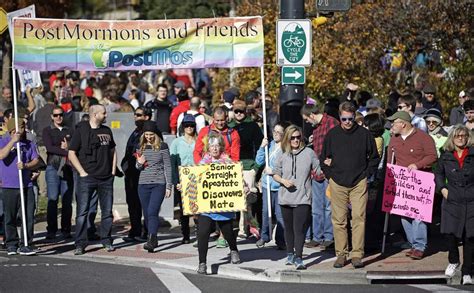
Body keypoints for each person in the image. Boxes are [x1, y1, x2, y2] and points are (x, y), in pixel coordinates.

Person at [321, 101, 379, 269]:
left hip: (359, 182)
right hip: (337, 182)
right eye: (343, 119)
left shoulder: (364, 135)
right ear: (339, 117)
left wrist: (366, 175)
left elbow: (374, 157)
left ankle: (357, 254)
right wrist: (329, 175)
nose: (347, 122)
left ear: (355, 117)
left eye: (350, 119)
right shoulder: (332, 135)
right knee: (338, 220)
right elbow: (323, 157)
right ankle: (341, 254)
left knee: (359, 218)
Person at [387, 111, 437, 260]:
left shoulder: (423, 138)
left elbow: (433, 156)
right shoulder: (394, 139)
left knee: (418, 216)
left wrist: (418, 164)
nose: (391, 125)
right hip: (402, 184)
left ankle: (420, 246)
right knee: (404, 215)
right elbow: (390, 159)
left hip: (420, 182)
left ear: (403, 123)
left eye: (394, 122)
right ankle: (413, 244)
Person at [68, 104, 117, 255]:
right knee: (82, 212)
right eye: (103, 113)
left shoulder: (107, 130)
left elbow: (113, 150)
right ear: (95, 115)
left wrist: (113, 171)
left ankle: (106, 240)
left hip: (106, 178)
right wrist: (82, 172)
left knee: (107, 212)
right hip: (87, 178)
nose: (106, 115)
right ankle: (80, 243)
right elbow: (71, 153)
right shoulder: (80, 130)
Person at [272, 125, 320, 270]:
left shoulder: (309, 153)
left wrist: (329, 166)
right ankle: (290, 254)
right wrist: (283, 181)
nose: (296, 140)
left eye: (298, 137)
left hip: (303, 198)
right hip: (285, 197)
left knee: (299, 228)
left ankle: (299, 257)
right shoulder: (282, 155)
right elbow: (275, 173)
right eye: (292, 138)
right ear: (287, 138)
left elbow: (318, 169)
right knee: (289, 229)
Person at [194, 132, 241, 274]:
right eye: (211, 146)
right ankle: (202, 263)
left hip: (222, 205)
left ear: (221, 147)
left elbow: (236, 179)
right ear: (208, 148)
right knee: (202, 233)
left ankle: (233, 249)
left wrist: (242, 186)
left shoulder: (228, 163)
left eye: (217, 146)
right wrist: (184, 185)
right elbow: (195, 179)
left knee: (227, 232)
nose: (214, 149)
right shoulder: (202, 163)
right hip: (207, 206)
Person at [435, 125, 474, 285]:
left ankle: (467, 272)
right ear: (452, 138)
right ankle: (454, 260)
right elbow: (438, 173)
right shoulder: (445, 156)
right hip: (451, 199)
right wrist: (442, 189)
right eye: (457, 136)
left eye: (463, 135)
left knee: (470, 237)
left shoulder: (472, 155)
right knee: (449, 233)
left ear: (468, 137)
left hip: (471, 200)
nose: (460, 138)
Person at [301, 104, 339, 249]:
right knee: (317, 207)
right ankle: (317, 236)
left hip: (329, 171)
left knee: (329, 206)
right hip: (317, 172)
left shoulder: (332, 123)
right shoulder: (316, 128)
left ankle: (329, 237)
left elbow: (337, 145)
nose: (307, 123)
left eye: (307, 119)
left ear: (311, 115)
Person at [0, 118, 40, 255]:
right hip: (9, 186)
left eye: (23, 126)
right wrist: (13, 142)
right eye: (21, 127)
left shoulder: (29, 144)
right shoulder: (3, 142)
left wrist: (27, 166)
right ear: (12, 130)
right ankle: (11, 243)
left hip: (26, 185)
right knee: (9, 216)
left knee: (28, 215)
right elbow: (1, 155)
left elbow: (36, 160)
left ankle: (26, 243)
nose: (23, 129)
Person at [135, 121, 172, 252]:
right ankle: (151, 236)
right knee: (147, 213)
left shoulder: (162, 146)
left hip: (158, 183)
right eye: (147, 134)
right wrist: (139, 163)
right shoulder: (140, 147)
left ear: (155, 134)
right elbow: (138, 167)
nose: (149, 137)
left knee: (152, 211)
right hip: (143, 184)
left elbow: (168, 166)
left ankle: (152, 239)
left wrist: (169, 186)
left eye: (151, 134)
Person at [228, 99, 263, 239]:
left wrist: (257, 166)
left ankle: (245, 228)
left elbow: (261, 146)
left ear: (245, 112)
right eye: (236, 111)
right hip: (232, 164)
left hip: (248, 165)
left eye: (241, 111)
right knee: (234, 199)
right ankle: (229, 230)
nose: (238, 114)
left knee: (247, 199)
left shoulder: (252, 126)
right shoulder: (229, 126)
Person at [121, 107, 152, 243]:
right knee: (132, 203)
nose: (136, 117)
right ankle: (135, 230)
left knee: (144, 203)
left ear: (147, 117)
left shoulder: (151, 133)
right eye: (135, 115)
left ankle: (147, 232)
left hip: (144, 174)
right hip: (131, 174)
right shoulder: (135, 132)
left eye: (139, 115)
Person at [255, 122, 288, 249]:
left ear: (283, 134)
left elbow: (286, 167)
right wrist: (262, 147)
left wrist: (273, 171)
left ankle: (281, 240)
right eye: (274, 131)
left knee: (280, 214)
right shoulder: (269, 145)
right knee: (265, 212)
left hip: (279, 185)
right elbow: (258, 161)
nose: (276, 133)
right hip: (267, 184)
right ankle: (264, 236)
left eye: (279, 132)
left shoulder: (286, 148)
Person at [43, 106, 74, 240]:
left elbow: (76, 146)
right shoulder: (47, 130)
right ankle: (51, 230)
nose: (58, 117)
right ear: (51, 117)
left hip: (67, 168)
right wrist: (67, 151)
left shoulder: (70, 130)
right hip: (53, 167)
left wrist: (69, 148)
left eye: (61, 115)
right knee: (53, 199)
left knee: (67, 201)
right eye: (55, 115)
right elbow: (49, 147)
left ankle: (66, 229)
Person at [170, 114, 198, 244]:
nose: (189, 128)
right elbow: (173, 163)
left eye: (192, 125)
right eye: (187, 125)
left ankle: (199, 231)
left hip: (196, 176)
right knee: (184, 208)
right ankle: (185, 234)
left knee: (198, 207)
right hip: (182, 178)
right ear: (183, 127)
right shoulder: (176, 142)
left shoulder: (198, 141)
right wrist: (175, 182)